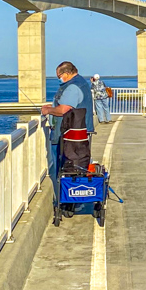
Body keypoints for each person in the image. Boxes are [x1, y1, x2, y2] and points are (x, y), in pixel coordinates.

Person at [41, 61, 95, 206]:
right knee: (77, 166)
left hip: (68, 137)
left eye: (59, 76)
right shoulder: (81, 83)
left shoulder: (72, 87)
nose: (59, 78)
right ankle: (74, 201)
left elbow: (63, 109)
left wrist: (48, 110)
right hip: (78, 135)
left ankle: (67, 202)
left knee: (64, 169)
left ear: (65, 74)